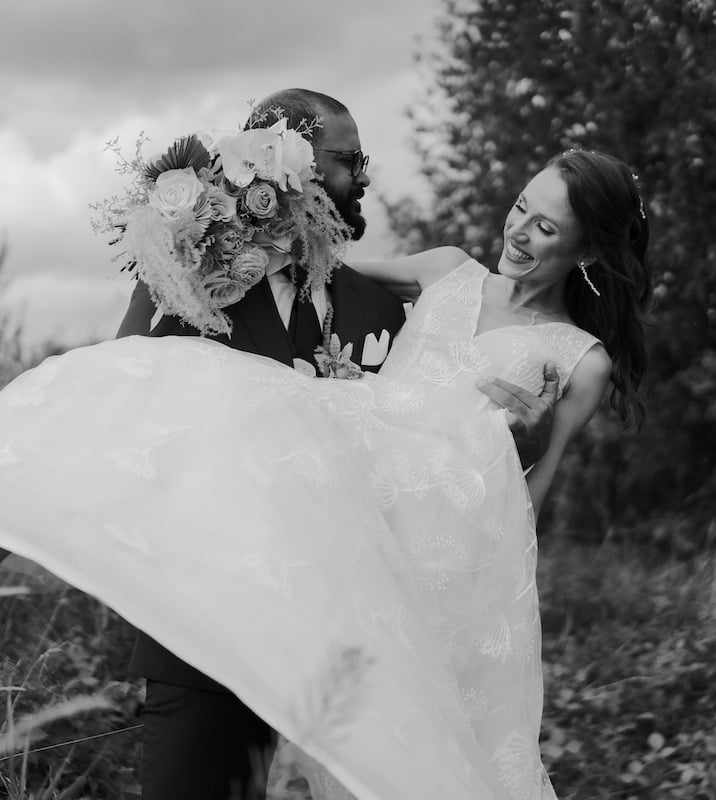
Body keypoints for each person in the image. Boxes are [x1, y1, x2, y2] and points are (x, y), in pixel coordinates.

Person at [0, 147, 651, 799]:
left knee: (404, 755)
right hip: (358, 508)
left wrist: (526, 447)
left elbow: (529, 512)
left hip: (445, 557)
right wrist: (223, 216)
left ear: (589, 251)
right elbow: (313, 270)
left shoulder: (581, 362)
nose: (519, 231)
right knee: (209, 383)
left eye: (545, 227)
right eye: (520, 208)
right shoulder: (448, 271)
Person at [110, 88, 560, 800]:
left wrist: (511, 446)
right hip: (209, 633)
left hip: (349, 658)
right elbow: (116, 405)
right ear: (287, 167)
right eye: (349, 160)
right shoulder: (188, 279)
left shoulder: (381, 308)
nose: (364, 176)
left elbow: (426, 468)